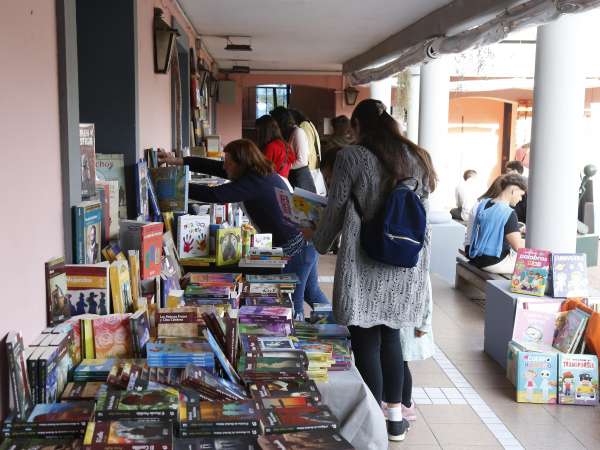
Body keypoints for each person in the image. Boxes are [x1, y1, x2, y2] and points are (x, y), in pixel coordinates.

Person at [306, 99, 437, 442]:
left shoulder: (352, 156)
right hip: (404, 261)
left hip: (364, 261)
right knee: (392, 336)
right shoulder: (418, 157)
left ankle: (373, 420)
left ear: (357, 127)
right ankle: (395, 420)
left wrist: (317, 241)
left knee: (364, 338)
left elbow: (335, 209)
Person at [158, 140, 329, 318]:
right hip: (306, 244)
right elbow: (213, 166)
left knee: (293, 306)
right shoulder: (258, 173)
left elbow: (214, 194)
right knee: (313, 294)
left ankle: (303, 338)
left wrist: (174, 185)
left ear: (241, 163)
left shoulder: (253, 183)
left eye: (228, 162)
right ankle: (339, 327)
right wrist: (177, 161)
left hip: (296, 250)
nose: (224, 165)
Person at [465, 173, 527, 274]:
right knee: (534, 264)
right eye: (521, 195)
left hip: (476, 257)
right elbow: (518, 247)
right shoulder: (508, 213)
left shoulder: (484, 204)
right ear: (514, 190)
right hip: (494, 262)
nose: (520, 199)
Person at [270, 107, 316, 193]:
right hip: (292, 175)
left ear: (281, 121)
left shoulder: (298, 132)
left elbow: (302, 161)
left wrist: (285, 167)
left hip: (300, 178)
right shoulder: (287, 133)